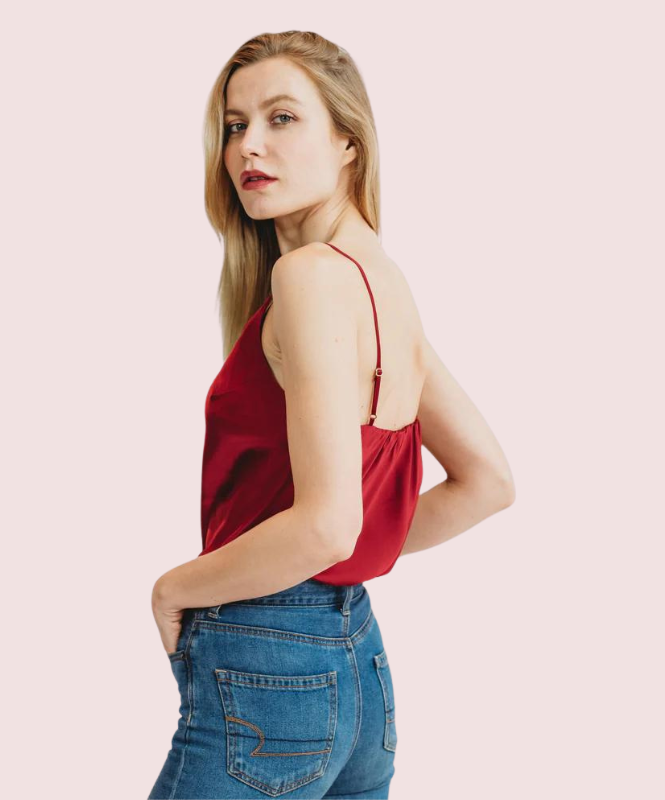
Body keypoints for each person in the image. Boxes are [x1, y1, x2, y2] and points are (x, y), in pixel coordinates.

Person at [147, 30, 515, 799]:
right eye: (235, 125)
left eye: (282, 117)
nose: (249, 146)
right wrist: (338, 566)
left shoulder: (311, 278)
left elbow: (327, 526)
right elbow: (486, 481)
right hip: (357, 666)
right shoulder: (380, 279)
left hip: (268, 663)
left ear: (350, 141)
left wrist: (175, 588)